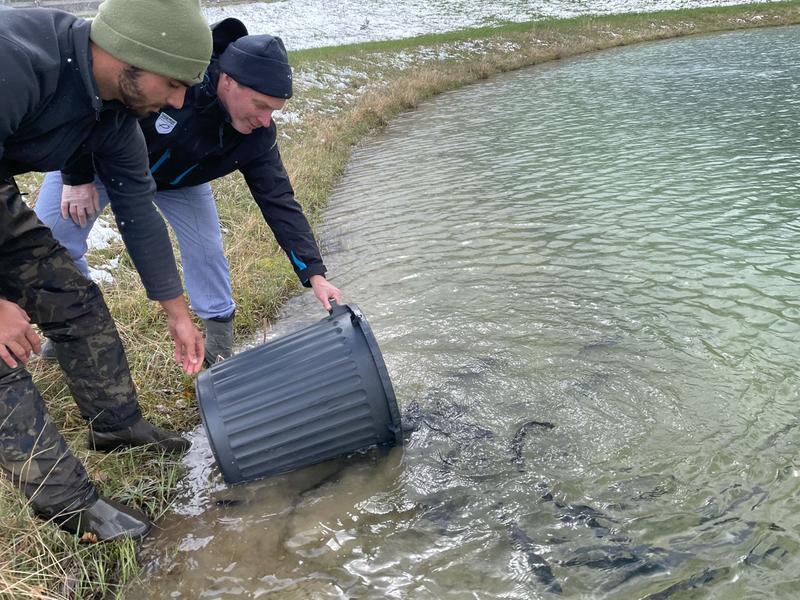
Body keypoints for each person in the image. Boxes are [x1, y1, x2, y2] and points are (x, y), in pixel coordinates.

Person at [0, 0, 212, 541]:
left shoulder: (113, 113)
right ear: (129, 56)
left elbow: (138, 210)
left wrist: (177, 312)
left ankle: (116, 426)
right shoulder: (15, 60)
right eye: (173, 83)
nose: (179, 101)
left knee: (74, 300)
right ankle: (67, 502)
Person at [34, 18, 342, 367]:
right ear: (228, 81)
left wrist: (314, 274)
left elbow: (279, 201)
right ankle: (71, 328)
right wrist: (76, 176)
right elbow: (92, 106)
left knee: (207, 249)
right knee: (50, 238)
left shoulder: (257, 136)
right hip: (97, 160)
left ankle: (219, 345)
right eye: (260, 105)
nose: (265, 119)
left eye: (274, 110)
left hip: (178, 182)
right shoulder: (177, 81)